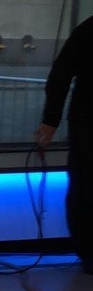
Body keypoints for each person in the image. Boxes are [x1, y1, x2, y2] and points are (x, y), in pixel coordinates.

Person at [34, 15, 93, 274]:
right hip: (87, 123)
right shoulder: (88, 31)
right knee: (84, 186)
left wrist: (50, 121)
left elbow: (60, 75)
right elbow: (60, 75)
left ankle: (88, 253)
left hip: (86, 122)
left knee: (84, 186)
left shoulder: (87, 30)